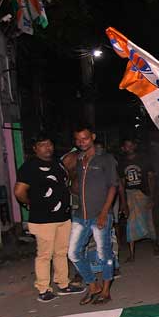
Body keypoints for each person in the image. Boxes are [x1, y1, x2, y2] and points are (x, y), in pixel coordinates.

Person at [14, 133, 85, 302]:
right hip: (42, 219)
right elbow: (19, 191)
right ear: (35, 148)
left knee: (61, 252)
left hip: (62, 216)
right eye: (43, 144)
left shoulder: (57, 164)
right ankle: (43, 288)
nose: (48, 148)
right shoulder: (29, 167)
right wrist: (29, 204)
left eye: (50, 144)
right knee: (44, 254)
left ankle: (63, 283)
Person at [67, 125, 118, 305]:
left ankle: (106, 290)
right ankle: (92, 285)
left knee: (104, 253)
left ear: (93, 137)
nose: (81, 142)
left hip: (99, 214)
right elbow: (76, 186)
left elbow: (113, 186)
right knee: (73, 253)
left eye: (85, 138)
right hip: (81, 215)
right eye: (78, 140)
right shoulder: (79, 160)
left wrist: (104, 213)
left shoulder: (106, 159)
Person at [118, 137, 159, 261]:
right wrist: (123, 202)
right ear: (123, 148)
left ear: (134, 146)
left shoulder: (144, 159)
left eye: (131, 145)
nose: (129, 148)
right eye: (127, 146)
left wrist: (152, 197)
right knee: (130, 223)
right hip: (130, 195)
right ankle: (132, 254)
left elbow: (151, 178)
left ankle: (155, 245)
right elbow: (121, 183)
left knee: (149, 220)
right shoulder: (122, 163)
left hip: (144, 194)